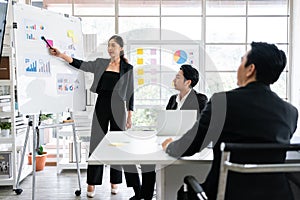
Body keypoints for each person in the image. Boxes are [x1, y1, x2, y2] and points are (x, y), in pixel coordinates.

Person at [162, 42, 298, 200]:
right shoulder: (291, 112)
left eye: (242, 61)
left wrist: (169, 146)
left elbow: (190, 145)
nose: (238, 67)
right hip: (276, 195)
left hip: (227, 193)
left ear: (250, 69)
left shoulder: (222, 102)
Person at [49, 35, 140, 199]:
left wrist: (130, 115)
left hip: (119, 107)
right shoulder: (100, 63)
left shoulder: (128, 68)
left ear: (121, 48)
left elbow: (131, 93)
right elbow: (81, 64)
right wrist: (61, 55)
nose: (110, 48)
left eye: (113, 45)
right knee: (97, 143)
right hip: (102, 104)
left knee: (117, 145)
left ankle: (115, 181)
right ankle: (92, 182)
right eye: (109, 45)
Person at [134, 65, 208, 200]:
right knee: (148, 159)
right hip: (168, 141)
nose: (174, 79)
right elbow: (167, 123)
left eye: (178, 77)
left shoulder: (200, 100)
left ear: (188, 82)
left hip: (187, 143)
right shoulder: (173, 99)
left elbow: (201, 126)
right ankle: (145, 195)